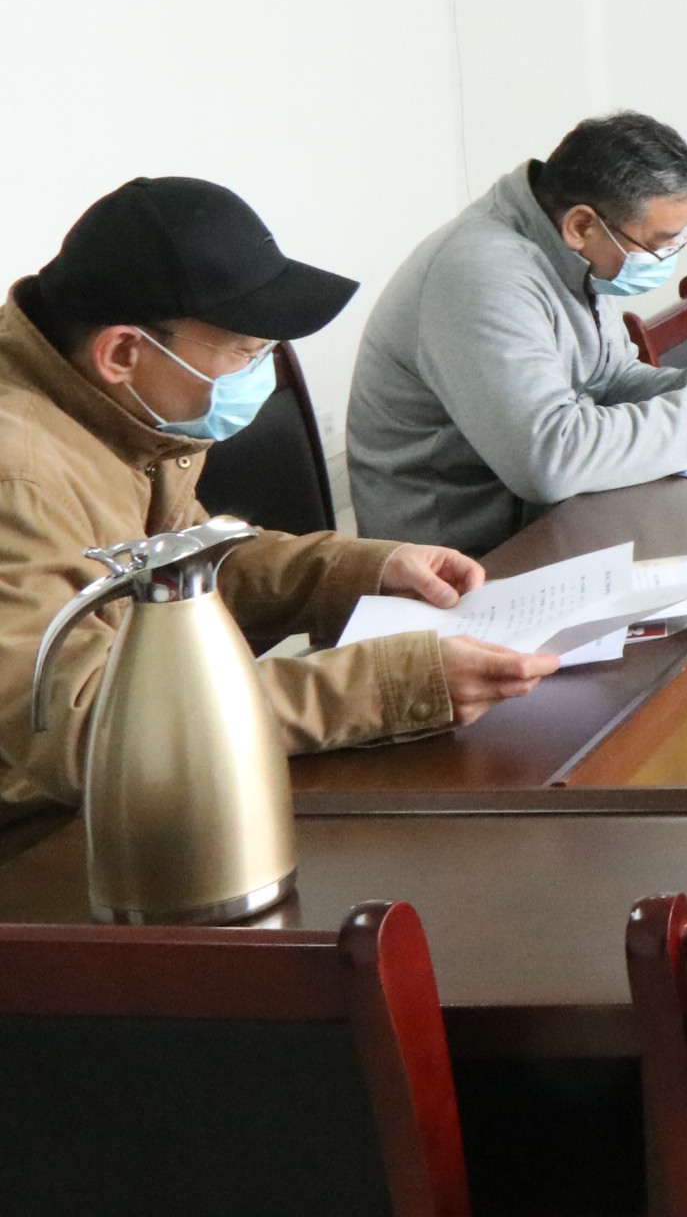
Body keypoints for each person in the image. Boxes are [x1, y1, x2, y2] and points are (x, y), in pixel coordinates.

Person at [0, 178, 559, 820]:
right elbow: (82, 729)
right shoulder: (20, 477)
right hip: (41, 835)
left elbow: (183, 564)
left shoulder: (115, 411)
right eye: (246, 352)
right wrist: (392, 686)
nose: (260, 374)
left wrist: (361, 571)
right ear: (123, 352)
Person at [347, 113, 687, 555]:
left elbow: (609, 381)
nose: (666, 255)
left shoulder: (568, 249)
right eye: (656, 243)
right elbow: (550, 459)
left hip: (550, 520)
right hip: (464, 560)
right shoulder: (481, 275)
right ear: (581, 225)